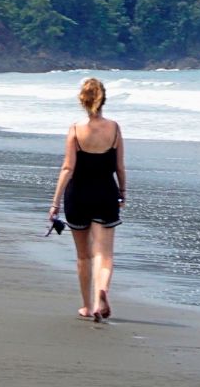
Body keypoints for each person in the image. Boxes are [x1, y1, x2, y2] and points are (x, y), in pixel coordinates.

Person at [48, 77, 126, 322]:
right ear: (103, 99)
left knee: (84, 256)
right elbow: (120, 167)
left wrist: (55, 202)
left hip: (77, 196)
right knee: (105, 254)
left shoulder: (75, 129)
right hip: (105, 194)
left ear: (82, 100)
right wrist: (123, 192)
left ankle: (87, 306)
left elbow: (67, 167)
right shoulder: (114, 128)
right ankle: (101, 291)